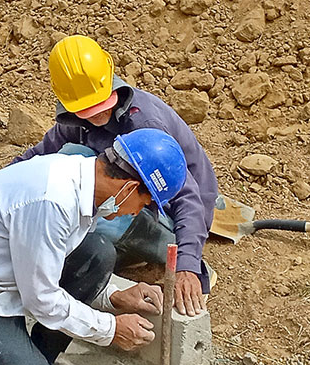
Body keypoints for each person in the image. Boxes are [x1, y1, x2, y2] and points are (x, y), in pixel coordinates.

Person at [0, 127, 187, 365]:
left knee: (97, 252)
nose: (137, 211)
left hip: (11, 274)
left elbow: (50, 263)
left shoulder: (81, 180)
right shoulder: (52, 201)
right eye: (144, 203)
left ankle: (41, 354)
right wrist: (110, 329)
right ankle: (32, 363)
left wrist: (112, 298)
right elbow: (41, 298)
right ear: (128, 188)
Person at [12, 36, 222, 318]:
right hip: (129, 197)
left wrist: (187, 264)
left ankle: (161, 250)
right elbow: (39, 155)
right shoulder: (78, 120)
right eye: (87, 110)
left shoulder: (144, 126)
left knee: (94, 198)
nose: (97, 115)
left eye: (102, 105)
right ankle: (116, 249)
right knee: (70, 158)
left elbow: (188, 197)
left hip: (167, 202)